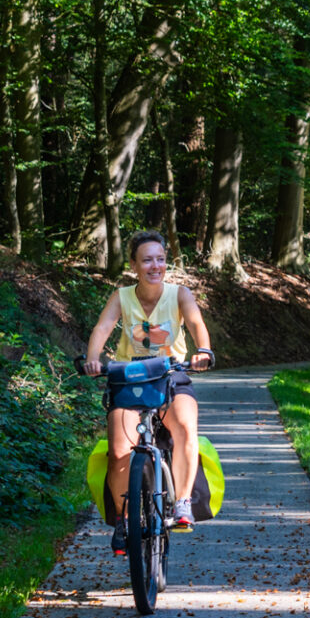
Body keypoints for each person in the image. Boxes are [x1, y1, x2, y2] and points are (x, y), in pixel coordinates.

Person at [83, 230, 214, 551]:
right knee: (118, 452)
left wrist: (203, 350)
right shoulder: (121, 296)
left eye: (160, 259)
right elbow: (102, 327)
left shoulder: (179, 293)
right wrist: (92, 359)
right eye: (147, 260)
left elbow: (196, 323)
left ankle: (182, 503)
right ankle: (125, 521)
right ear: (133, 264)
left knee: (184, 427)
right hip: (129, 376)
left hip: (171, 374)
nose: (155, 265)